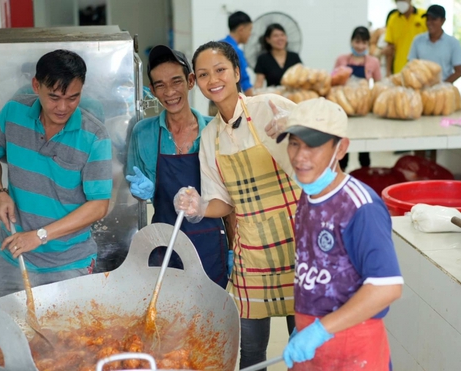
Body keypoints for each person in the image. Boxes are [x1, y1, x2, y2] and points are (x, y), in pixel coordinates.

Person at [175, 41, 299, 370]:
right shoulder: (210, 137)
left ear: (236, 72)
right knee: (252, 353)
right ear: (196, 82)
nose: (213, 79)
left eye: (220, 70)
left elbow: (323, 151)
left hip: (298, 243)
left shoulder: (270, 106)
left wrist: (297, 131)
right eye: (203, 74)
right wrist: (198, 207)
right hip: (252, 253)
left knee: (304, 351)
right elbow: (223, 202)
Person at [277, 98, 403, 370]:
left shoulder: (360, 206)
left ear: (341, 148)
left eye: (313, 146)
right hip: (313, 346)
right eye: (294, 143)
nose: (300, 157)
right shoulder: (309, 195)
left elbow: (387, 287)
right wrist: (304, 324)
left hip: (354, 348)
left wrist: (320, 330)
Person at [0, 50, 112, 300]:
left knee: (67, 339)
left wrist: (40, 236)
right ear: (36, 86)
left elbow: (99, 206)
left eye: (73, 98)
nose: (63, 108)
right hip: (12, 258)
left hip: (68, 265)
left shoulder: (95, 136)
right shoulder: (13, 113)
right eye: (54, 97)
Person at [125, 45, 228, 288]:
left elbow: (229, 201)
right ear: (152, 90)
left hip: (210, 247)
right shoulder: (144, 133)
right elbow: (133, 188)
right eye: (160, 85)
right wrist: (143, 190)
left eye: (176, 81)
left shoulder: (214, 132)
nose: (169, 92)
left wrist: (234, 251)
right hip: (164, 246)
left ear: (190, 81)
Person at [334, 26, 381, 171]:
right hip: (344, 110)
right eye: (357, 42)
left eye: (364, 43)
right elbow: (333, 82)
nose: (360, 46)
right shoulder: (342, 60)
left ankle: (365, 172)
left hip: (362, 111)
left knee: (364, 146)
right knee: (343, 145)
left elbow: (379, 86)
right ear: (351, 41)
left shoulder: (373, 62)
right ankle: (342, 172)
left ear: (368, 44)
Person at [408, 5, 461, 83]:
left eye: (434, 19)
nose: (429, 23)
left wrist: (442, 86)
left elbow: (458, 72)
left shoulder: (453, 43)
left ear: (443, 21)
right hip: (421, 89)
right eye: (428, 19)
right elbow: (411, 65)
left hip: (444, 90)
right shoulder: (418, 40)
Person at [385, 0, 427, 76]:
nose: (400, 2)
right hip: (399, 69)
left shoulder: (424, 16)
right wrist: (388, 72)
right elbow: (390, 49)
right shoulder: (393, 19)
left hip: (421, 69)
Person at [254, 23, 302, 88]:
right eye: (275, 36)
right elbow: (258, 83)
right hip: (274, 96)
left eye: (282, 35)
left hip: (294, 96)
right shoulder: (263, 59)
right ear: (268, 40)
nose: (280, 38)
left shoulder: (294, 57)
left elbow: (302, 78)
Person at [222, 11, 254, 96]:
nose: (250, 34)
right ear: (241, 29)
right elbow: (243, 79)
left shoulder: (215, 46)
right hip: (230, 103)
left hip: (214, 100)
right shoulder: (235, 51)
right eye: (250, 30)